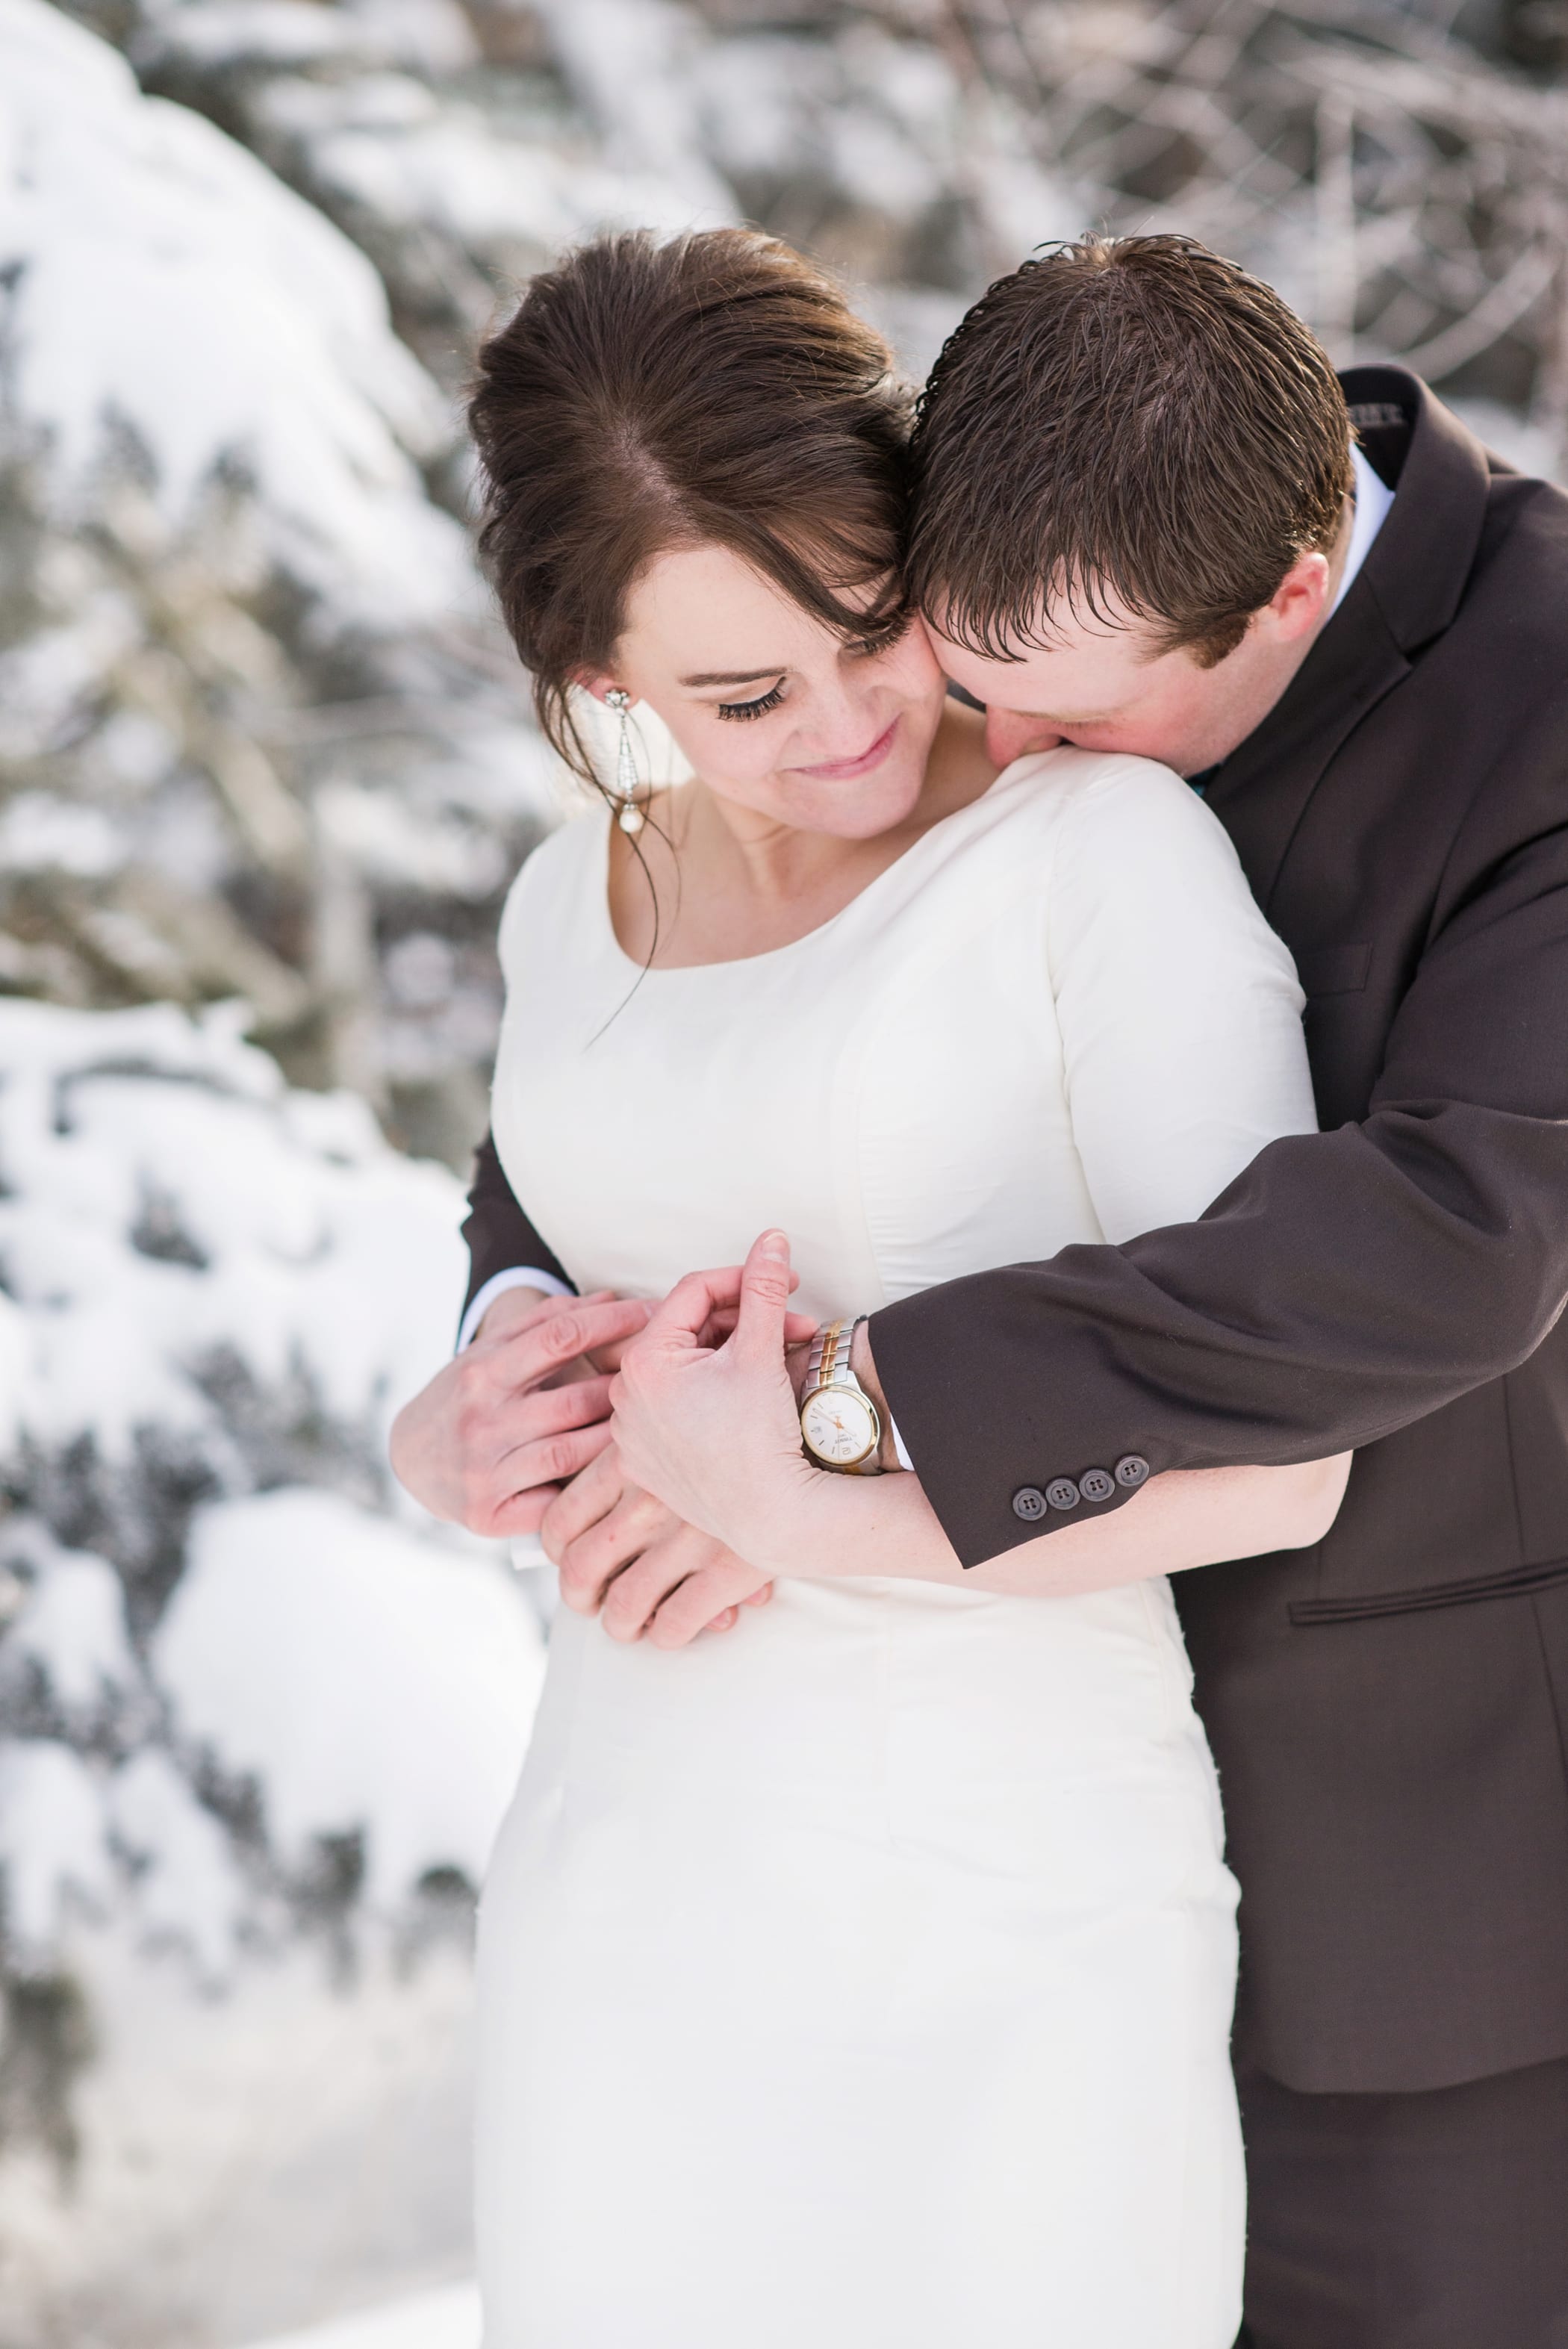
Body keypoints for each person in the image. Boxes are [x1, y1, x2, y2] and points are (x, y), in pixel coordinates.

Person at [405, 233, 1568, 2348]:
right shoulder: (1033, 581)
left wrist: (815, 1430)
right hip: (688, 1832)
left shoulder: (1459, 733)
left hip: (1376, 1849)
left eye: (922, 661)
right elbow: (597, 1148)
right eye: (938, 646)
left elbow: (1450, 1238)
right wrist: (496, 1370)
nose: (953, 728)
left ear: (1286, 599)